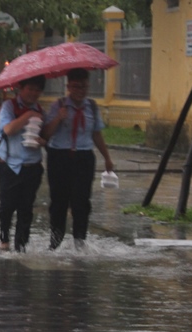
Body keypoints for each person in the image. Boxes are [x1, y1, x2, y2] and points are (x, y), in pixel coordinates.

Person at [41, 68, 114, 250]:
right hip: (60, 157)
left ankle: (79, 241)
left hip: (83, 158)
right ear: (69, 87)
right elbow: (46, 134)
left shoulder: (92, 106)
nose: (80, 90)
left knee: (81, 201)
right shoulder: (58, 105)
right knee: (59, 202)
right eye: (76, 86)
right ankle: (55, 241)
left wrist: (107, 157)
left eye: (84, 86)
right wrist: (59, 117)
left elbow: (96, 134)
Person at [0, 75, 47, 252]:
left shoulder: (40, 110)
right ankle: (4, 238)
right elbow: (8, 129)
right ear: (21, 88)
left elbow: (45, 135)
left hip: (32, 165)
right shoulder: (9, 107)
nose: (33, 93)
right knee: (6, 206)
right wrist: (29, 115)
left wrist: (42, 140)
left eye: (37, 90)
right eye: (30, 89)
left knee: (26, 208)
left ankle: (21, 245)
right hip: (10, 165)